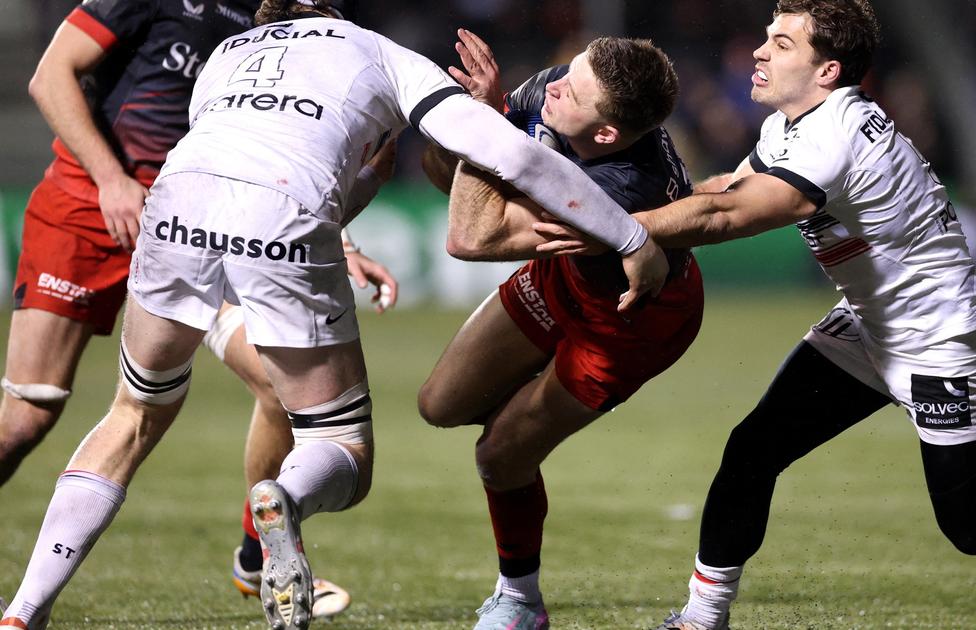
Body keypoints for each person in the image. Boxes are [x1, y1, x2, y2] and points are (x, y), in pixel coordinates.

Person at [0, 0, 670, 628]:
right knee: (339, 446)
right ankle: (282, 502)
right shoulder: (380, 52)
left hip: (172, 208)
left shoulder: (227, 53)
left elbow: (246, 157)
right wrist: (631, 236)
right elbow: (508, 151)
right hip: (276, 220)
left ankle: (23, 611)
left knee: (133, 412)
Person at [534, 2, 976, 629]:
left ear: (826, 71)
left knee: (974, 526)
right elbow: (723, 192)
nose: (759, 50)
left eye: (782, 43)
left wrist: (612, 227)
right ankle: (703, 618)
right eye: (767, 35)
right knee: (752, 451)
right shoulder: (791, 124)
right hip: (873, 326)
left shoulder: (836, 133)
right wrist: (613, 204)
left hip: (946, 342)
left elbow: (728, 216)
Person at [0, 0, 390, 618]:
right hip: (89, 205)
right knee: (26, 417)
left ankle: (258, 559)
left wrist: (342, 242)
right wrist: (109, 179)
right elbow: (50, 75)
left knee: (275, 384)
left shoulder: (264, 28)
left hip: (198, 226)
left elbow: (276, 152)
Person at [418, 31, 702, 630]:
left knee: (499, 455)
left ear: (604, 134)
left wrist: (480, 125)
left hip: (626, 329)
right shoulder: (569, 87)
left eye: (573, 90)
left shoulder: (617, 196)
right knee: (439, 405)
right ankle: (521, 418)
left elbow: (471, 235)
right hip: (565, 279)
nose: (554, 86)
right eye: (567, 72)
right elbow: (442, 173)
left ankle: (520, 600)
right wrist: (480, 122)